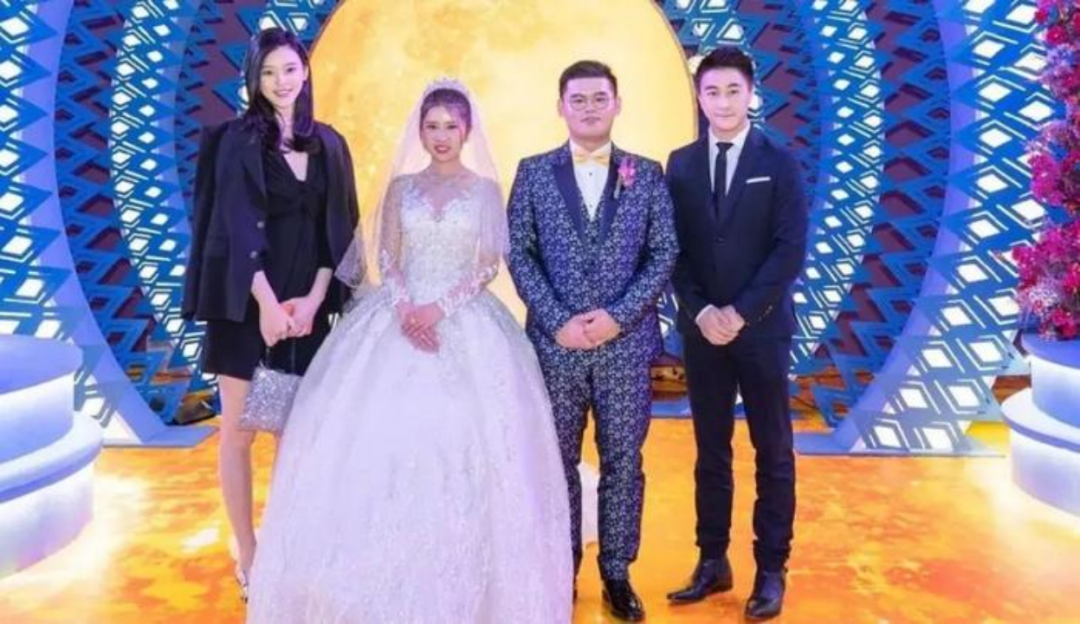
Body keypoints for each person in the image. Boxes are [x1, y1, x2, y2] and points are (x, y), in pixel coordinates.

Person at [245, 79, 573, 623]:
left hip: (463, 319)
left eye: (451, 126)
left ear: (467, 131)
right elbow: (387, 257)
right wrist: (403, 306)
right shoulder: (401, 188)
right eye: (432, 126)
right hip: (397, 315)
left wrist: (439, 309)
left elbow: (488, 264)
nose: (441, 136)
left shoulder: (486, 191)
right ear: (419, 131)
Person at [180, 26, 358, 600]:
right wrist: (264, 303)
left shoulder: (329, 144)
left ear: (305, 72)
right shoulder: (234, 140)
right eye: (268, 72)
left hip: (307, 311)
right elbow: (231, 224)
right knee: (238, 434)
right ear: (253, 79)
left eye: (290, 69)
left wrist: (313, 301)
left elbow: (341, 231)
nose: (281, 81)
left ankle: (288, 547)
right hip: (245, 306)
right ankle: (249, 551)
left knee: (295, 436)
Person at [507, 60, 678, 622]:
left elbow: (664, 252)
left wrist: (618, 317)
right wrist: (558, 320)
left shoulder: (646, 173)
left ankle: (617, 572)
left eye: (599, 98)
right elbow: (519, 252)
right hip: (555, 347)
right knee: (555, 460)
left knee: (624, 459)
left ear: (617, 104)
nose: (588, 108)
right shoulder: (533, 172)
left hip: (625, 346)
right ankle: (561, 566)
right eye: (577, 99)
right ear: (560, 107)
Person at [664, 46, 808, 621]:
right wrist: (701, 311)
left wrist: (741, 312)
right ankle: (712, 560)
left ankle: (771, 568)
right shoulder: (680, 164)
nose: (722, 102)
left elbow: (789, 250)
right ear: (699, 97)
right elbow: (670, 249)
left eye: (732, 91)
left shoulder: (780, 160)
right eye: (712, 91)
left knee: (773, 450)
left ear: (751, 94)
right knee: (710, 449)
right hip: (702, 333)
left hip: (763, 330)